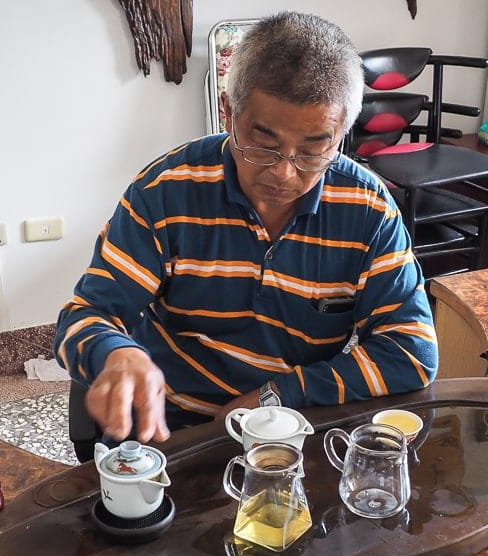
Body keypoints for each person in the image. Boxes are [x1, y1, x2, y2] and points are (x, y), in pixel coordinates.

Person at [54, 11, 438, 450]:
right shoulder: (166, 192)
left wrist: (278, 396)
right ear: (228, 112)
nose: (285, 174)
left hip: (290, 430)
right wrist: (115, 354)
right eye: (264, 144)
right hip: (171, 430)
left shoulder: (366, 208)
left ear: (342, 136)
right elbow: (82, 318)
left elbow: (411, 351)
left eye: (314, 150)